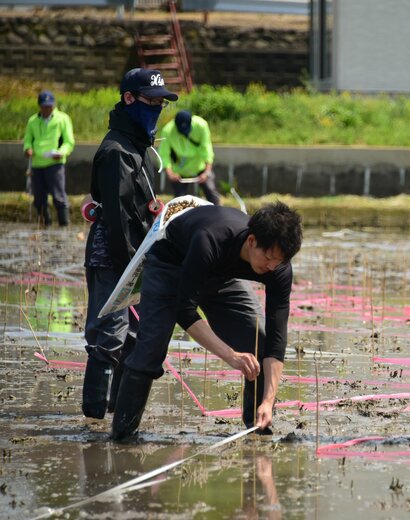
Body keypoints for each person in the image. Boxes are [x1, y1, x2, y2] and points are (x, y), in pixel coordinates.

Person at [110, 202, 302, 442]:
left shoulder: (278, 268)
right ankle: (122, 437)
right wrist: (231, 355)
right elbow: (185, 312)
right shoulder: (210, 239)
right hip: (170, 266)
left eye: (279, 261)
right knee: (151, 348)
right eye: (269, 258)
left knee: (258, 343)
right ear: (252, 241)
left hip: (220, 277)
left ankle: (258, 429)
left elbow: (277, 338)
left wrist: (268, 400)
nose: (272, 267)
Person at [81, 68, 178, 420]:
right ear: (129, 98)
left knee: (134, 334)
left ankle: (117, 410)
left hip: (138, 252)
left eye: (161, 103)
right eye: (151, 101)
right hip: (113, 253)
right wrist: (129, 269)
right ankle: (94, 419)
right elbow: (118, 218)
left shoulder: (141, 150)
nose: (157, 108)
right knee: (110, 332)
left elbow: (140, 207)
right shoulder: (117, 152)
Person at [22, 90, 75, 226]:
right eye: (44, 106)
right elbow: (28, 140)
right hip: (37, 164)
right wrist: (27, 148)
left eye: (49, 106)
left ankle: (64, 227)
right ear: (39, 106)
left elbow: (69, 141)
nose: (47, 109)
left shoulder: (63, 119)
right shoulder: (32, 121)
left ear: (54, 105)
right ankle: (46, 226)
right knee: (39, 199)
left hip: (55, 164)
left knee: (59, 197)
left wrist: (61, 153)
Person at [158, 110, 221, 205]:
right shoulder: (168, 130)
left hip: (199, 166)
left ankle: (218, 211)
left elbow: (207, 149)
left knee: (211, 191)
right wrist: (170, 174)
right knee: (179, 200)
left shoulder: (201, 125)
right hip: (179, 171)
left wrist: (207, 172)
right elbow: (164, 154)